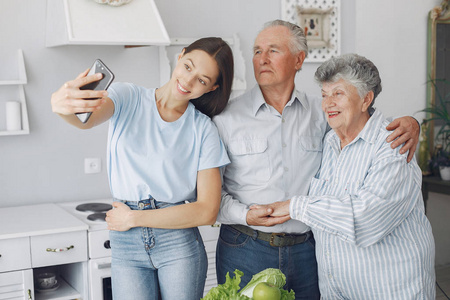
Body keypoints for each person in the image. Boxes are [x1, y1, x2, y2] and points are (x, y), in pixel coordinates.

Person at [212, 20, 420, 299]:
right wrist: (245, 214)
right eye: (257, 51)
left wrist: (410, 123)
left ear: (299, 60)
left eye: (273, 50)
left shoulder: (322, 114)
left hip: (307, 252)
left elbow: (361, 121)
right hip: (245, 246)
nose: (262, 59)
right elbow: (210, 196)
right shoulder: (225, 117)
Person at [50, 37, 234, 300]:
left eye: (202, 80)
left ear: (212, 87)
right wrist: (60, 105)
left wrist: (134, 218)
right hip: (126, 242)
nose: (188, 81)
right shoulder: (128, 97)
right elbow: (85, 121)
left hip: (177, 243)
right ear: (180, 56)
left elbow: (207, 210)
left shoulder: (203, 129)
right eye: (189, 67)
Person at [260, 53, 436, 299]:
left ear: (366, 100)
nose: (327, 104)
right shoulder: (330, 140)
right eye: (324, 95)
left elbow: (366, 221)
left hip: (391, 291)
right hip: (337, 291)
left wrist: (296, 207)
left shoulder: (393, 146)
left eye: (338, 94)